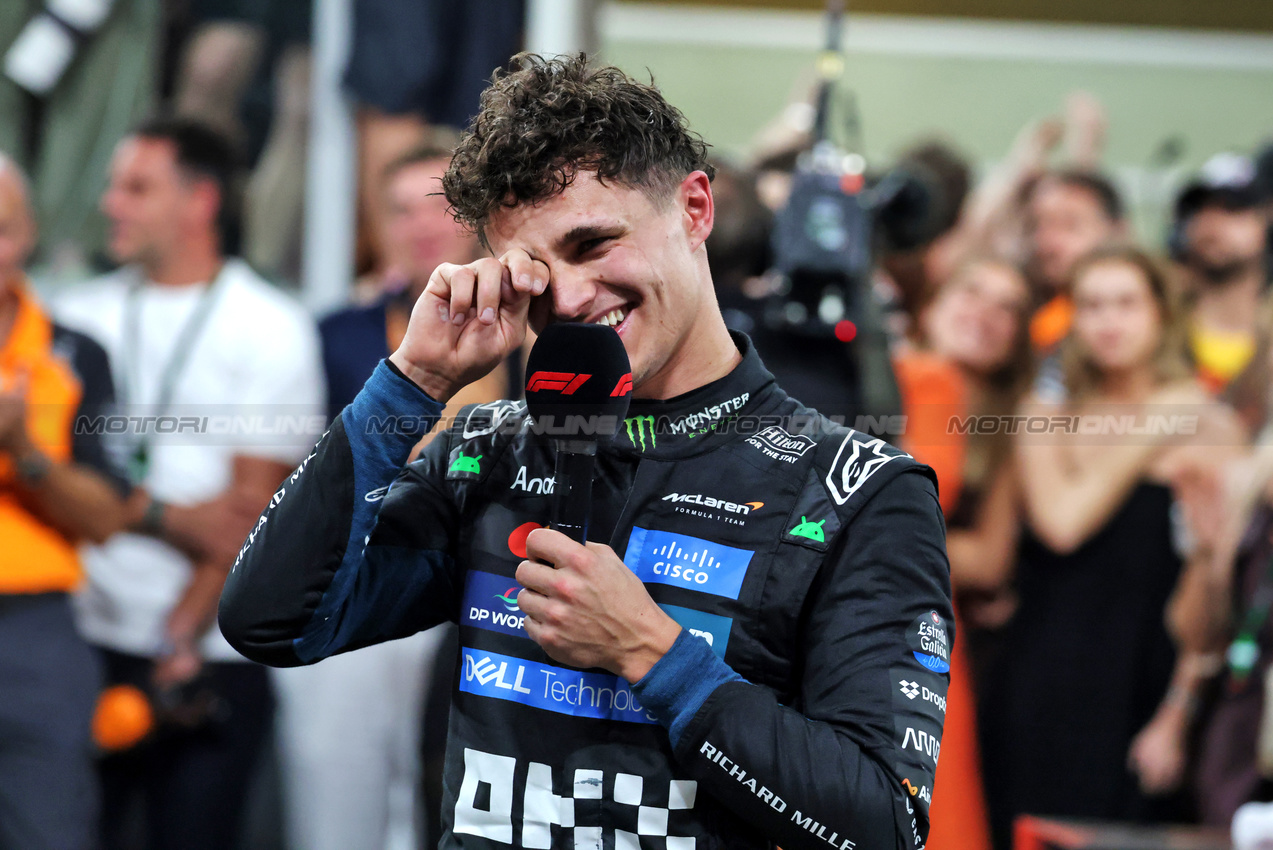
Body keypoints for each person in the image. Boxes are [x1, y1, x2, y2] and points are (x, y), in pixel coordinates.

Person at [221, 53, 953, 850]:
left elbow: (882, 825)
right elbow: (272, 623)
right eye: (533, 271)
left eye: (593, 243)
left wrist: (654, 655)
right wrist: (411, 384)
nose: (567, 299)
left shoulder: (858, 492)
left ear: (695, 208)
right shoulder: (486, 452)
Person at [55, 117, 324, 850]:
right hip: (80, 640)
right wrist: (166, 513)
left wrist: (177, 634)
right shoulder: (77, 317)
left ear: (200, 201)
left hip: (207, 651)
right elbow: (52, 484)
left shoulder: (270, 325)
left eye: (136, 187)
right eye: (115, 184)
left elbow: (250, 518)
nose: (111, 202)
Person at [273, 139, 508, 850]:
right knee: (338, 783)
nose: (418, 226)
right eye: (399, 211)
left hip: (498, 584)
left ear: (472, 217)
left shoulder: (534, 335)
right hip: (372, 570)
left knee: (453, 785)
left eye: (435, 206)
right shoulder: (335, 334)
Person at [980, 245, 1244, 849]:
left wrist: (1177, 714)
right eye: (1092, 305)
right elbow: (1063, 524)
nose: (1109, 321)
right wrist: (1159, 420)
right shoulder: (1046, 414)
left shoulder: (1212, 427)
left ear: (1161, 314)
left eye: (1127, 303)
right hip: (1039, 681)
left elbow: (1216, 585)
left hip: (1142, 687)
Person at [0, 156, 132, 850]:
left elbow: (107, 515)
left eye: (1, 229)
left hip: (35, 634)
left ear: (28, 237)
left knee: (50, 828)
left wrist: (24, 453)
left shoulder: (76, 355)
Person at [894, 256, 1035, 850]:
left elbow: (990, 560)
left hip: (934, 639)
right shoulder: (877, 379)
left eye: (1009, 308)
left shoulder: (1010, 425)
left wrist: (882, 539)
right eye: (973, 290)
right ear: (934, 304)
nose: (987, 313)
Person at [1173, 153, 1271, 431]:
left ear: (1264, 222)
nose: (1212, 221)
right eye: (1200, 208)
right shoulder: (1157, 325)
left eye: (1232, 208)